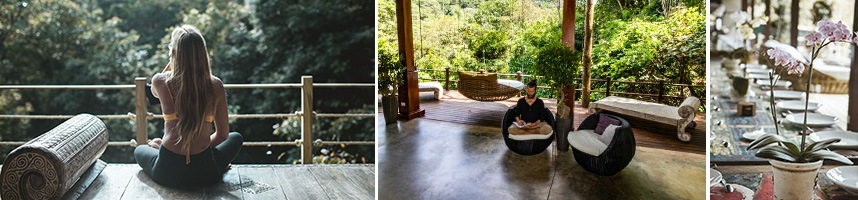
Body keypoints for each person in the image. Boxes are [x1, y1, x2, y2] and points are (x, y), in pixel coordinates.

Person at [134, 25, 242, 188]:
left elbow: (155, 94)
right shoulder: (215, 85)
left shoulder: (160, 81)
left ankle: (159, 147)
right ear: (202, 54)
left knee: (140, 149)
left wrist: (172, 62)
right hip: (205, 173)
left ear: (174, 54)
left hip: (167, 172)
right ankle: (216, 163)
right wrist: (200, 148)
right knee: (236, 138)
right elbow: (222, 136)